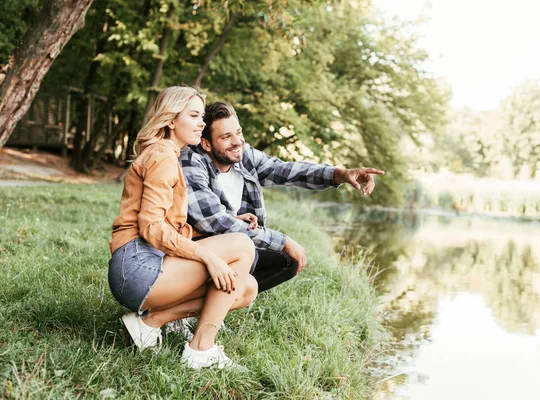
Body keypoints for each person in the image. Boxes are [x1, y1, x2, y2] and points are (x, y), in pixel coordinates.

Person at [108, 87, 258, 370]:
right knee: (242, 245)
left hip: (142, 266)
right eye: (194, 115)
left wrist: (229, 222)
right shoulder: (163, 156)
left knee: (246, 287)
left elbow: (167, 225)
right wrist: (208, 257)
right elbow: (151, 227)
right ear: (171, 120)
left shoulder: (167, 154)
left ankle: (152, 322)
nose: (202, 123)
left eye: (202, 116)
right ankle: (201, 350)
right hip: (137, 268)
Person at [178, 101, 384, 294]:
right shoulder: (192, 162)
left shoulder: (244, 157)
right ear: (206, 144)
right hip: (195, 249)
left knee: (288, 260)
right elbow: (214, 221)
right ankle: (182, 301)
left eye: (238, 133)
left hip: (233, 245)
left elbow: (288, 170)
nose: (237, 142)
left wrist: (340, 174)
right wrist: (282, 240)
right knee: (262, 251)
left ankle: (213, 302)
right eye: (226, 137)